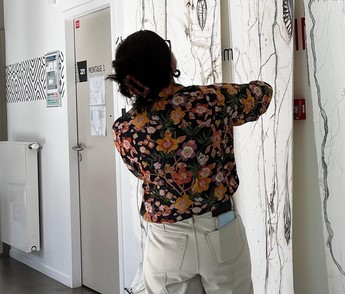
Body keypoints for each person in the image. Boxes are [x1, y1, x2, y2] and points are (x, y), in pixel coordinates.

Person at [109, 30, 272, 294]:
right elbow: (262, 94)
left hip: (167, 239)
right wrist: (226, 117)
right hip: (220, 228)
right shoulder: (211, 100)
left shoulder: (125, 129)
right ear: (170, 63)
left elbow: (141, 172)